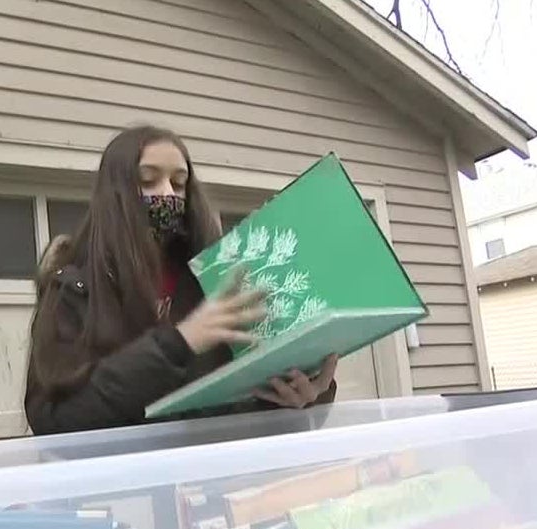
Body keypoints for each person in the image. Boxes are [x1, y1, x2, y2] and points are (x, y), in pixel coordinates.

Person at [25, 125, 339, 435]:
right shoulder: (74, 290)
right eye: (148, 181)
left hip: (215, 479)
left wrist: (302, 399)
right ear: (114, 194)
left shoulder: (214, 280)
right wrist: (179, 343)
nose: (167, 194)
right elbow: (52, 420)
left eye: (178, 183)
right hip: (127, 483)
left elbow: (232, 407)